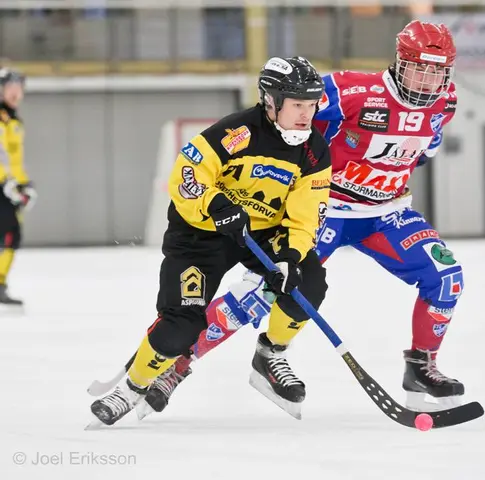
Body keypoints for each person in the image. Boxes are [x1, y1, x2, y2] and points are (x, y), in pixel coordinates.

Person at [140, 20, 467, 418]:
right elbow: (283, 117)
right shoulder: (351, 90)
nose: (427, 79)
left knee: (447, 278)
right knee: (267, 288)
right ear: (400, 62)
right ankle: (177, 363)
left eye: (437, 70)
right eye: (419, 67)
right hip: (325, 207)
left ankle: (421, 366)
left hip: (386, 213)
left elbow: (422, 150)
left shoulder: (445, 102)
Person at [89, 56, 332, 426]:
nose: (305, 114)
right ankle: (134, 385)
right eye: (298, 105)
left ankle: (271, 353)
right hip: (199, 235)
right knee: (180, 327)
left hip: (259, 234)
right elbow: (187, 173)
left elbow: (305, 216)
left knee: (307, 283)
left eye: (311, 105)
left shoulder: (314, 151)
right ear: (271, 101)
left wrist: (290, 257)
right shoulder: (237, 132)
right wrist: (215, 203)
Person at [0, 68, 36, 306]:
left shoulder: (15, 122)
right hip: (2, 186)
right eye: (10, 89)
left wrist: (24, 185)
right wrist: (6, 182)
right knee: (8, 233)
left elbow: (14, 160)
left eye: (19, 89)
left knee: (12, 235)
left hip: (8, 188)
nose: (15, 94)